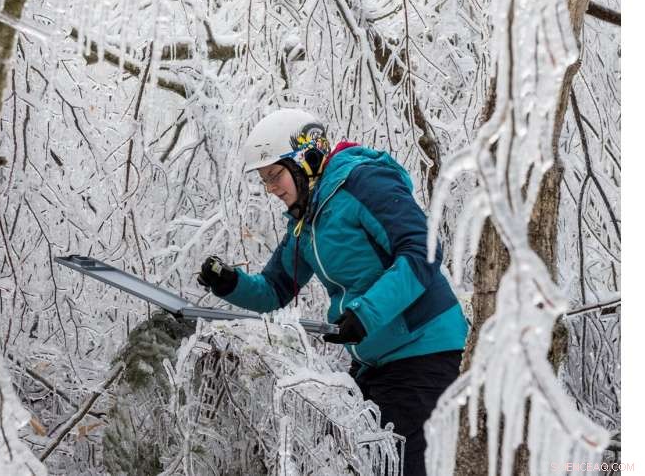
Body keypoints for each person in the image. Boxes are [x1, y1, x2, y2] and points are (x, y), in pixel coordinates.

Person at [197, 109, 468, 476]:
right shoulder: (307, 221)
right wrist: (229, 284)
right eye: (265, 181)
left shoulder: (364, 183)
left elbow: (424, 250)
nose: (272, 189)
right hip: (375, 363)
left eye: (275, 176)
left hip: (424, 352)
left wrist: (366, 314)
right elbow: (275, 290)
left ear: (306, 161)